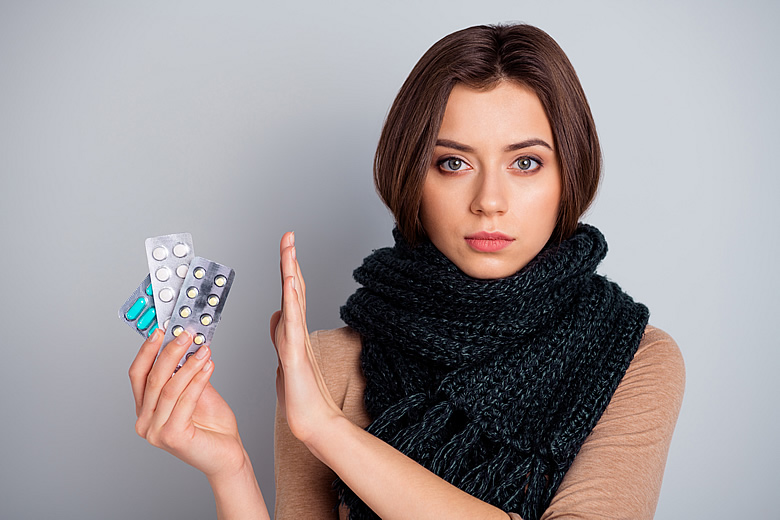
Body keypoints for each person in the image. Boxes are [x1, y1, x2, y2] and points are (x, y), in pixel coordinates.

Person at [128, 23, 685, 520]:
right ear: (412, 179)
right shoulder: (324, 364)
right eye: (453, 163)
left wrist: (327, 430)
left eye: (525, 163)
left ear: (570, 175)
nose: (489, 200)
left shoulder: (635, 358)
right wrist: (230, 470)